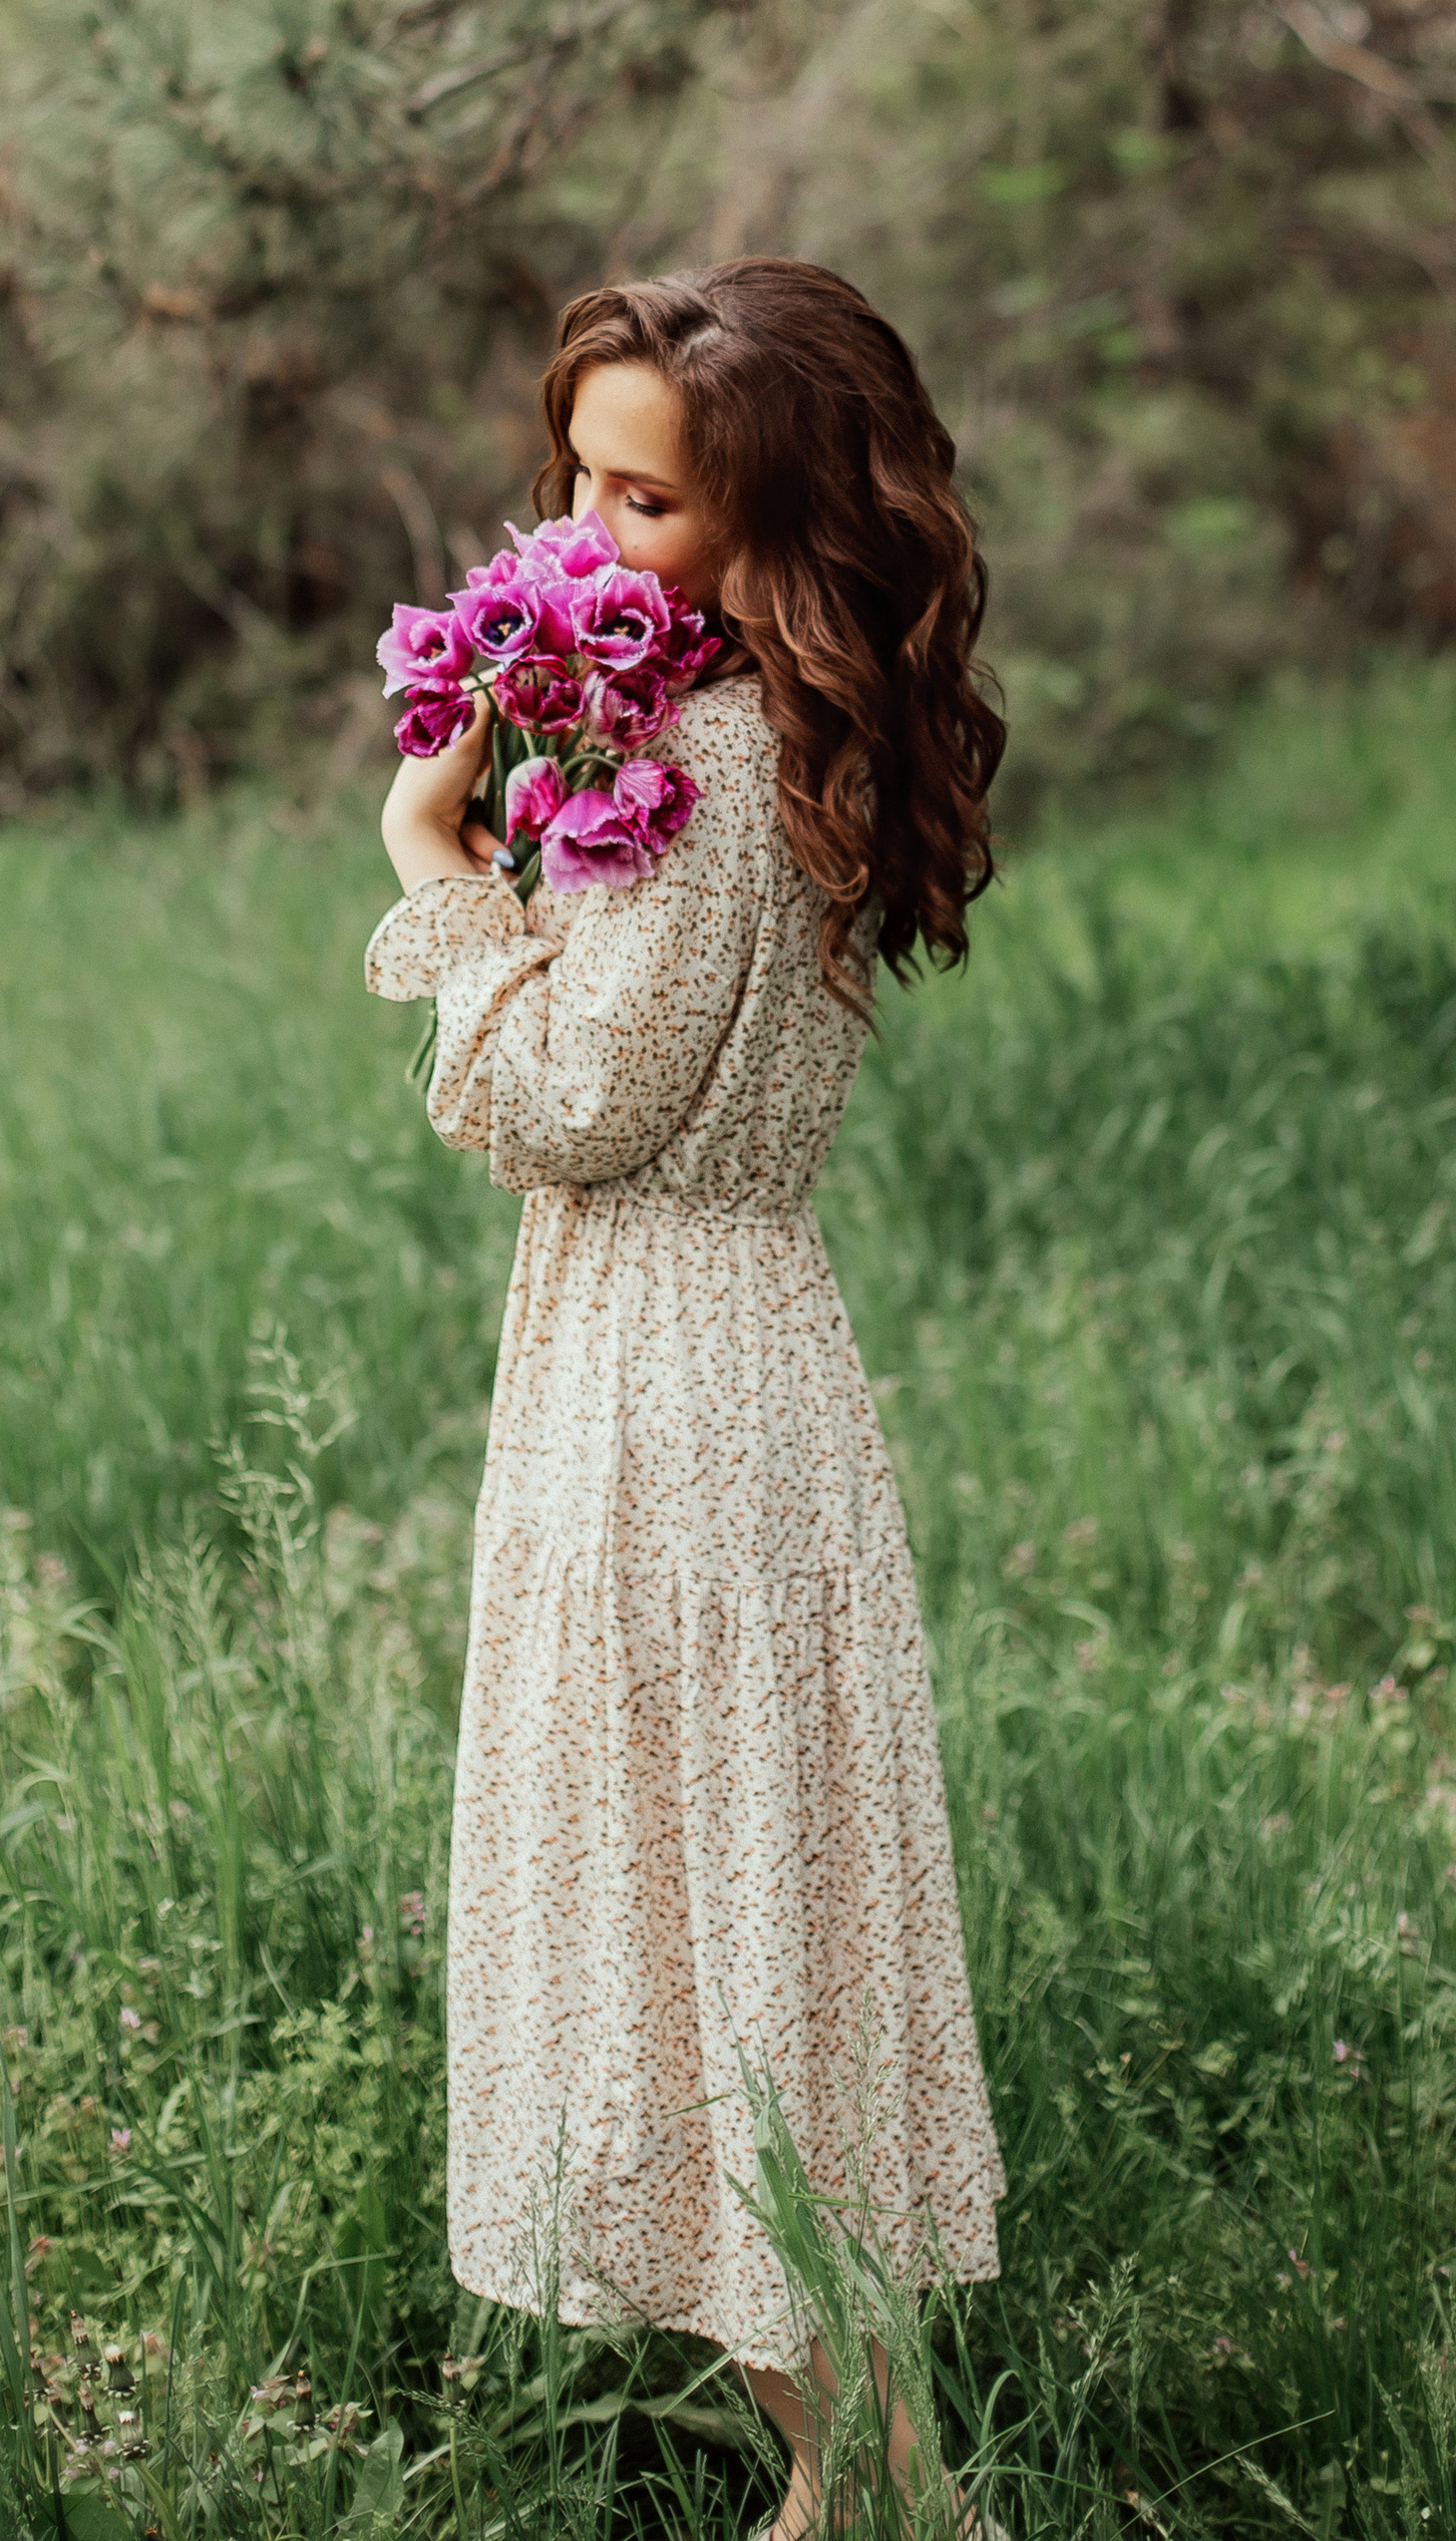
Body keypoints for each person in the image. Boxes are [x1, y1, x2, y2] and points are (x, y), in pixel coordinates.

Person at [366, 259, 1006, 2541]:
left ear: (779, 522)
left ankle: (868, 2476)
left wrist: (442, 870)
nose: (590, 534)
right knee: (745, 1897)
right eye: (583, 480)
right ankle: (862, 2461)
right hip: (741, 1347)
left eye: (652, 502)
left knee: (703, 1919)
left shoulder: (701, 764)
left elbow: (565, 1099)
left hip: (667, 1377)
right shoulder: (790, 733)